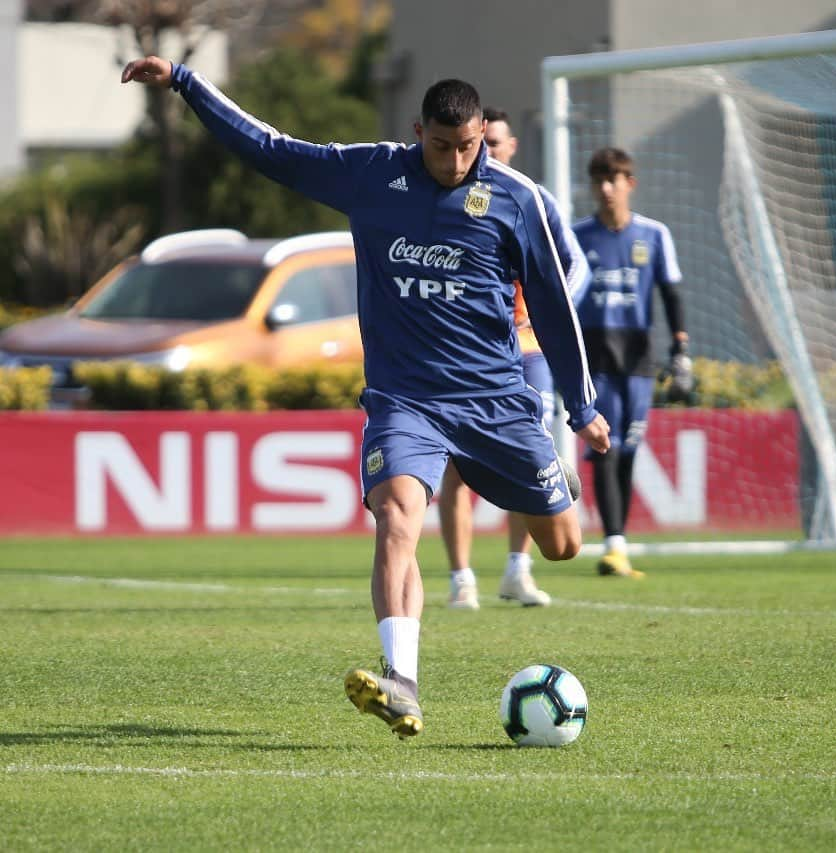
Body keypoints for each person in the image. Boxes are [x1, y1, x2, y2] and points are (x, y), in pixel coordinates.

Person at [121, 57, 610, 739]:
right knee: (397, 517)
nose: (456, 159)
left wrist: (581, 407)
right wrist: (185, 82)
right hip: (404, 399)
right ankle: (402, 681)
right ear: (419, 133)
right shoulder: (373, 172)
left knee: (562, 544)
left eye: (469, 145)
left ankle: (492, 497)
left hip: (496, 400)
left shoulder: (515, 198)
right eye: (442, 146)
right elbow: (270, 149)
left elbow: (555, 306)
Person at [439, 107, 590, 610]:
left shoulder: (530, 196)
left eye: (498, 144)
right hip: (471, 357)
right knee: (456, 467)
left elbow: (576, 268)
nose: (491, 153)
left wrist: (541, 317)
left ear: (510, 145)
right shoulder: (446, 198)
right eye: (489, 145)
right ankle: (461, 578)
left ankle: (516, 571)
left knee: (530, 457)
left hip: (528, 353)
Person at [573, 147, 691, 579]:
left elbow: (671, 293)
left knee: (629, 449)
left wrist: (681, 349)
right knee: (604, 446)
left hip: (639, 356)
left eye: (614, 179)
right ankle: (614, 544)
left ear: (629, 184)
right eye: (599, 180)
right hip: (595, 355)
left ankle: (616, 543)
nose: (606, 188)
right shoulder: (576, 236)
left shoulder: (654, 234)